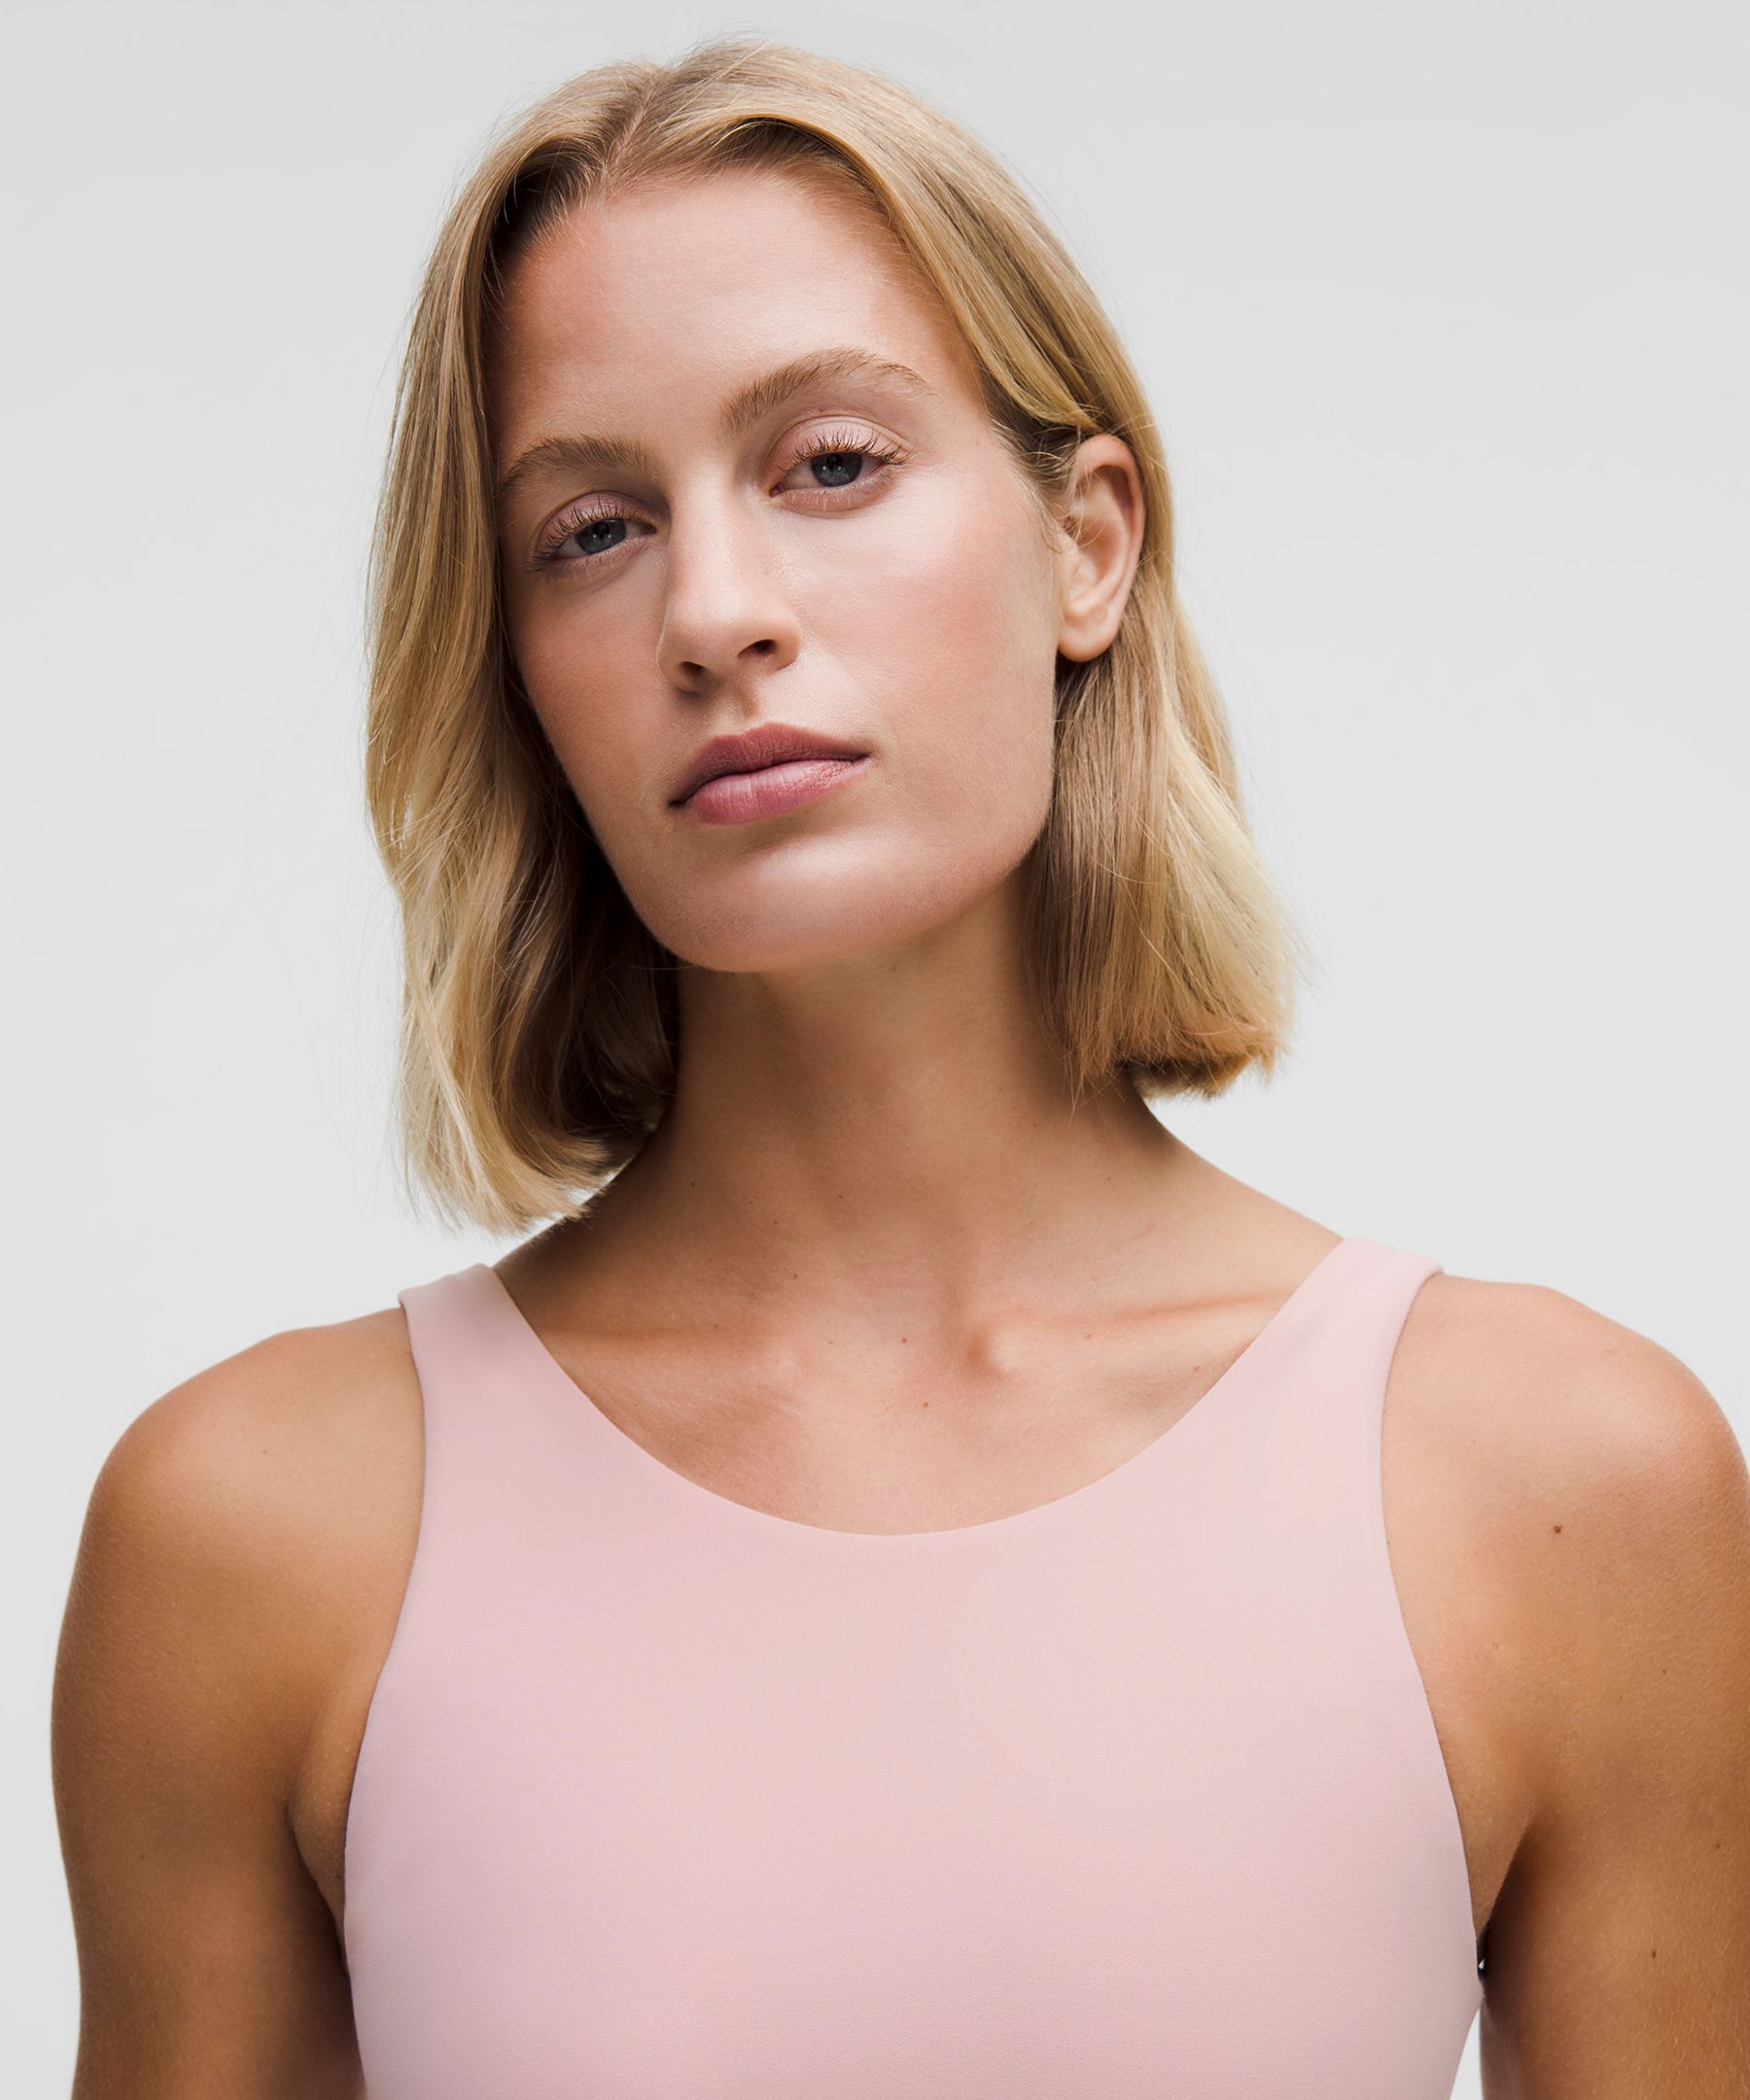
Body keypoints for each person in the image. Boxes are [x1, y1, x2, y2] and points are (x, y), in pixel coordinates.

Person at [52, 33, 1750, 2100]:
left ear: (1086, 544)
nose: (715, 612)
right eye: (590, 529)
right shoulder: (256, 1536)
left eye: (832, 465)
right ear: (515, 668)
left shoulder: (1558, 1490)